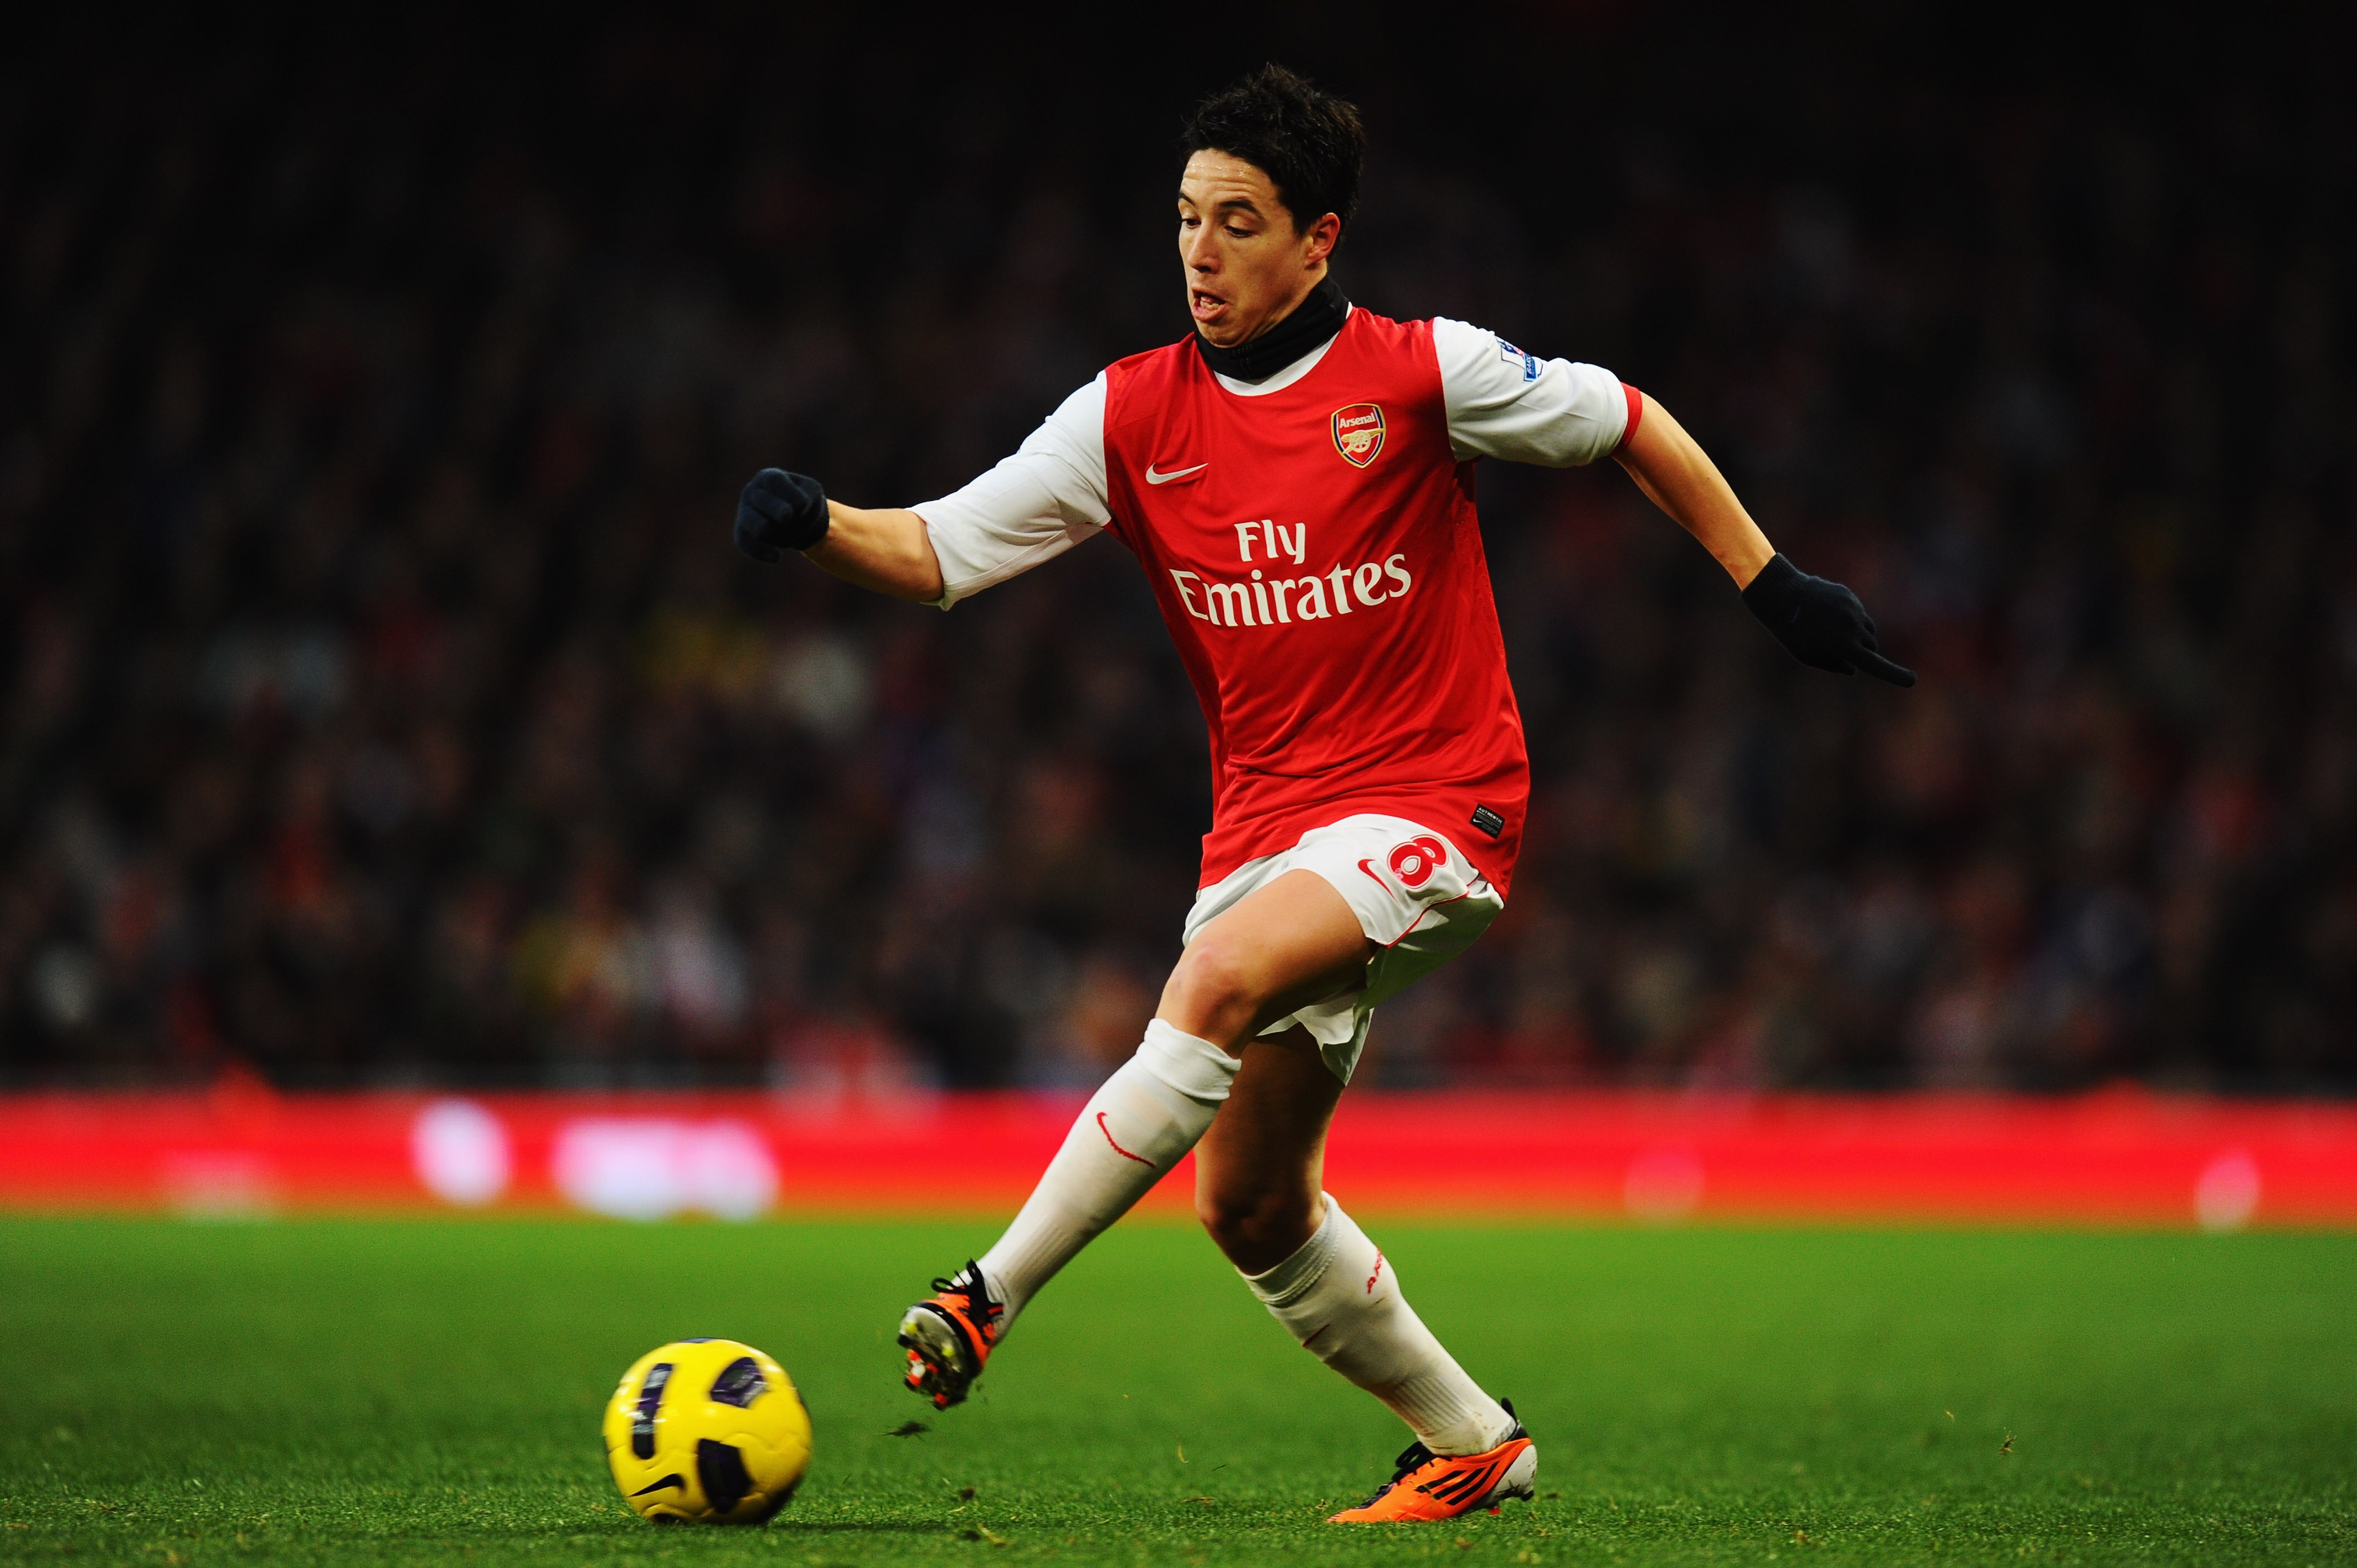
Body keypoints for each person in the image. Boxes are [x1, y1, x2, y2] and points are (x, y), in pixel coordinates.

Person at [734, 64, 1913, 1524]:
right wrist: (815, 527)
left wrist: (1769, 582)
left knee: (1213, 979)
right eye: (1185, 220)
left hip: (1439, 809)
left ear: (1319, 241)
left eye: (1238, 223)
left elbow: (1627, 420)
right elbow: (936, 552)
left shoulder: (1424, 373)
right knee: (1250, 1208)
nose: (1202, 253)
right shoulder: (1130, 417)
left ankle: (986, 1295)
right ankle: (1473, 1442)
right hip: (1267, 840)